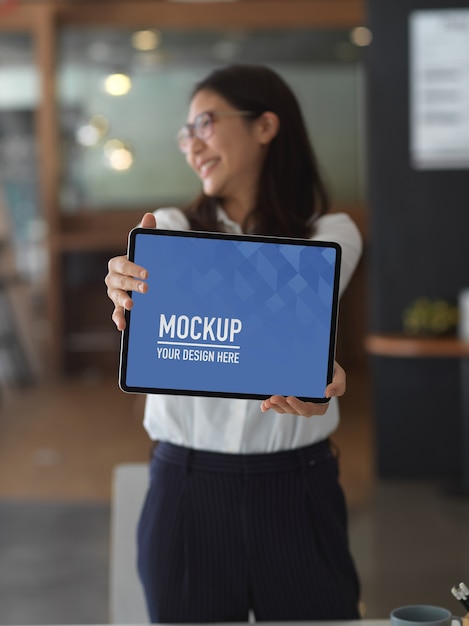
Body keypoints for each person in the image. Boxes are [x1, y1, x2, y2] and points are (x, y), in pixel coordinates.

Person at [105, 63, 362, 623]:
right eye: (185, 134)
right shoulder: (170, 227)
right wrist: (129, 293)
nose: (191, 145)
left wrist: (319, 371)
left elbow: (281, 320)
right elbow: (268, 321)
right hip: (187, 489)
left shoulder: (331, 234)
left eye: (204, 123)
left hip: (298, 488)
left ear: (265, 126)